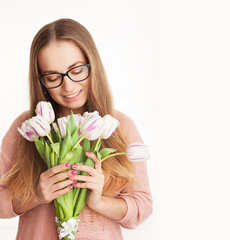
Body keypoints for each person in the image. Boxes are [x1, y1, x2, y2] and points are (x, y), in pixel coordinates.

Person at [0, 18, 152, 239]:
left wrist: (99, 202)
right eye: (52, 77)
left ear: (93, 65)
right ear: (41, 80)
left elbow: (143, 205)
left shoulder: (119, 126)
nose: (68, 86)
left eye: (77, 70)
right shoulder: (28, 128)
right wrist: (35, 195)